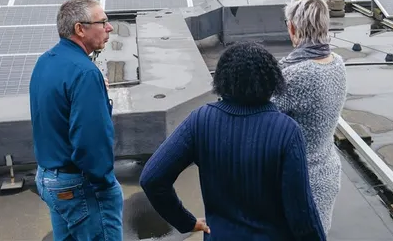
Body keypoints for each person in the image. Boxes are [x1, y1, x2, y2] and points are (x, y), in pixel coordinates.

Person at [139, 41, 326, 241]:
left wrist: (186, 222)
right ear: (272, 80)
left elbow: (152, 178)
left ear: (222, 78)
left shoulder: (200, 121)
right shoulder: (287, 131)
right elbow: (301, 214)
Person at [30, 0, 123, 241]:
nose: (109, 27)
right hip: (78, 187)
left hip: (48, 176)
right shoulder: (85, 73)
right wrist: (104, 185)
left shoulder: (45, 61)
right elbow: (92, 140)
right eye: (102, 22)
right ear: (80, 29)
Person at [274, 0, 347, 233]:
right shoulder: (337, 62)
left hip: (301, 183)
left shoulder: (295, 76)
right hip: (327, 171)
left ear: (293, 28)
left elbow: (260, 118)